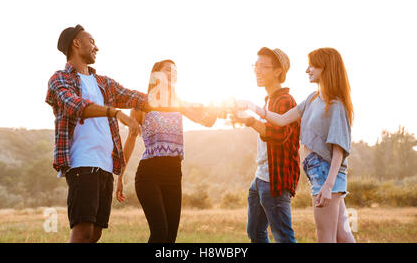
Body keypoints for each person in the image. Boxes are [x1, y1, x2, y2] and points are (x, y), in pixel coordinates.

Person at [45, 25, 174, 243]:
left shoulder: (103, 83)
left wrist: (187, 106)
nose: (97, 47)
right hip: (81, 163)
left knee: (95, 234)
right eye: (91, 41)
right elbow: (75, 105)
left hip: (105, 165)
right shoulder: (60, 79)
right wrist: (115, 113)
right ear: (76, 43)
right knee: (82, 231)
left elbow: (137, 98)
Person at [239, 47, 356, 243]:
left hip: (326, 175)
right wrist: (253, 108)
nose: (307, 70)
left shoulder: (335, 104)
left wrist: (327, 186)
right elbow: (282, 119)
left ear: (326, 68)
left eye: (312, 65)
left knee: (325, 237)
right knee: (343, 235)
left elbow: (339, 150)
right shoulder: (313, 98)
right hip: (320, 174)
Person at [116, 59, 218, 243]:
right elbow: (130, 140)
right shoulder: (142, 103)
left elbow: (207, 121)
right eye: (167, 70)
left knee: (171, 237)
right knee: (160, 234)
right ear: (156, 74)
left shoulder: (179, 104)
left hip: (173, 173)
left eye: (175, 71)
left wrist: (217, 108)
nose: (172, 73)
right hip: (149, 173)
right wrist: (120, 176)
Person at [230, 47, 300, 243]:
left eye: (263, 67)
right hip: (261, 177)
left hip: (275, 181)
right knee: (255, 232)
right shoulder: (269, 100)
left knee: (283, 237)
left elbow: (278, 135)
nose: (257, 70)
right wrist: (248, 120)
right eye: (256, 65)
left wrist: (251, 121)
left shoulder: (284, 100)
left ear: (278, 71)